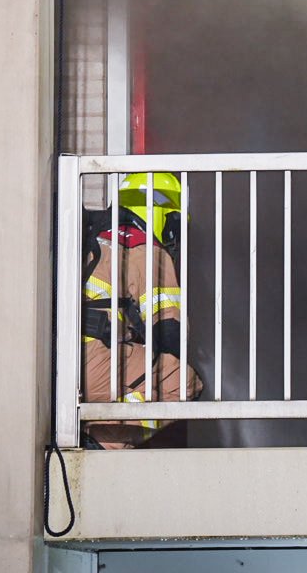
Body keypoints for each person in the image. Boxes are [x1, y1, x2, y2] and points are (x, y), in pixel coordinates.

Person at [81, 171, 202, 449]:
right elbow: (169, 330)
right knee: (182, 382)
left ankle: (88, 425)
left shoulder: (93, 236)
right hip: (97, 362)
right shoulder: (144, 248)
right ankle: (100, 440)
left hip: (62, 362)